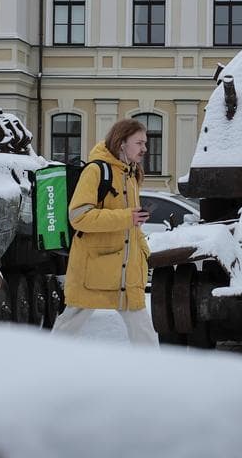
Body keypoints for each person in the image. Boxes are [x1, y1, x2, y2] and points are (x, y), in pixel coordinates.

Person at [51, 118, 159, 347]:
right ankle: (43, 367)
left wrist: (143, 252)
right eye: (139, 143)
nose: (145, 149)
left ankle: (153, 376)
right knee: (69, 324)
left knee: (143, 329)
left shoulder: (131, 175)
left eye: (145, 143)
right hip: (93, 269)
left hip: (125, 271)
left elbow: (130, 225)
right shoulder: (96, 171)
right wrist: (127, 216)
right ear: (122, 143)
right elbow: (78, 216)